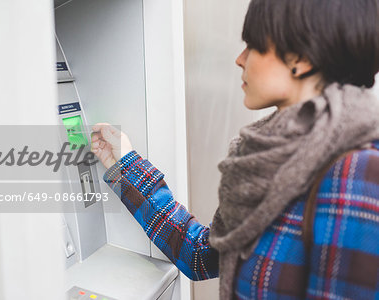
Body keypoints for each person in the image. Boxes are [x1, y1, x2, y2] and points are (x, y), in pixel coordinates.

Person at [91, 0, 379, 299]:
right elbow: (201, 254)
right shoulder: (274, 157)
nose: (240, 59)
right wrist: (125, 164)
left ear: (300, 59)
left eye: (252, 45)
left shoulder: (358, 174)